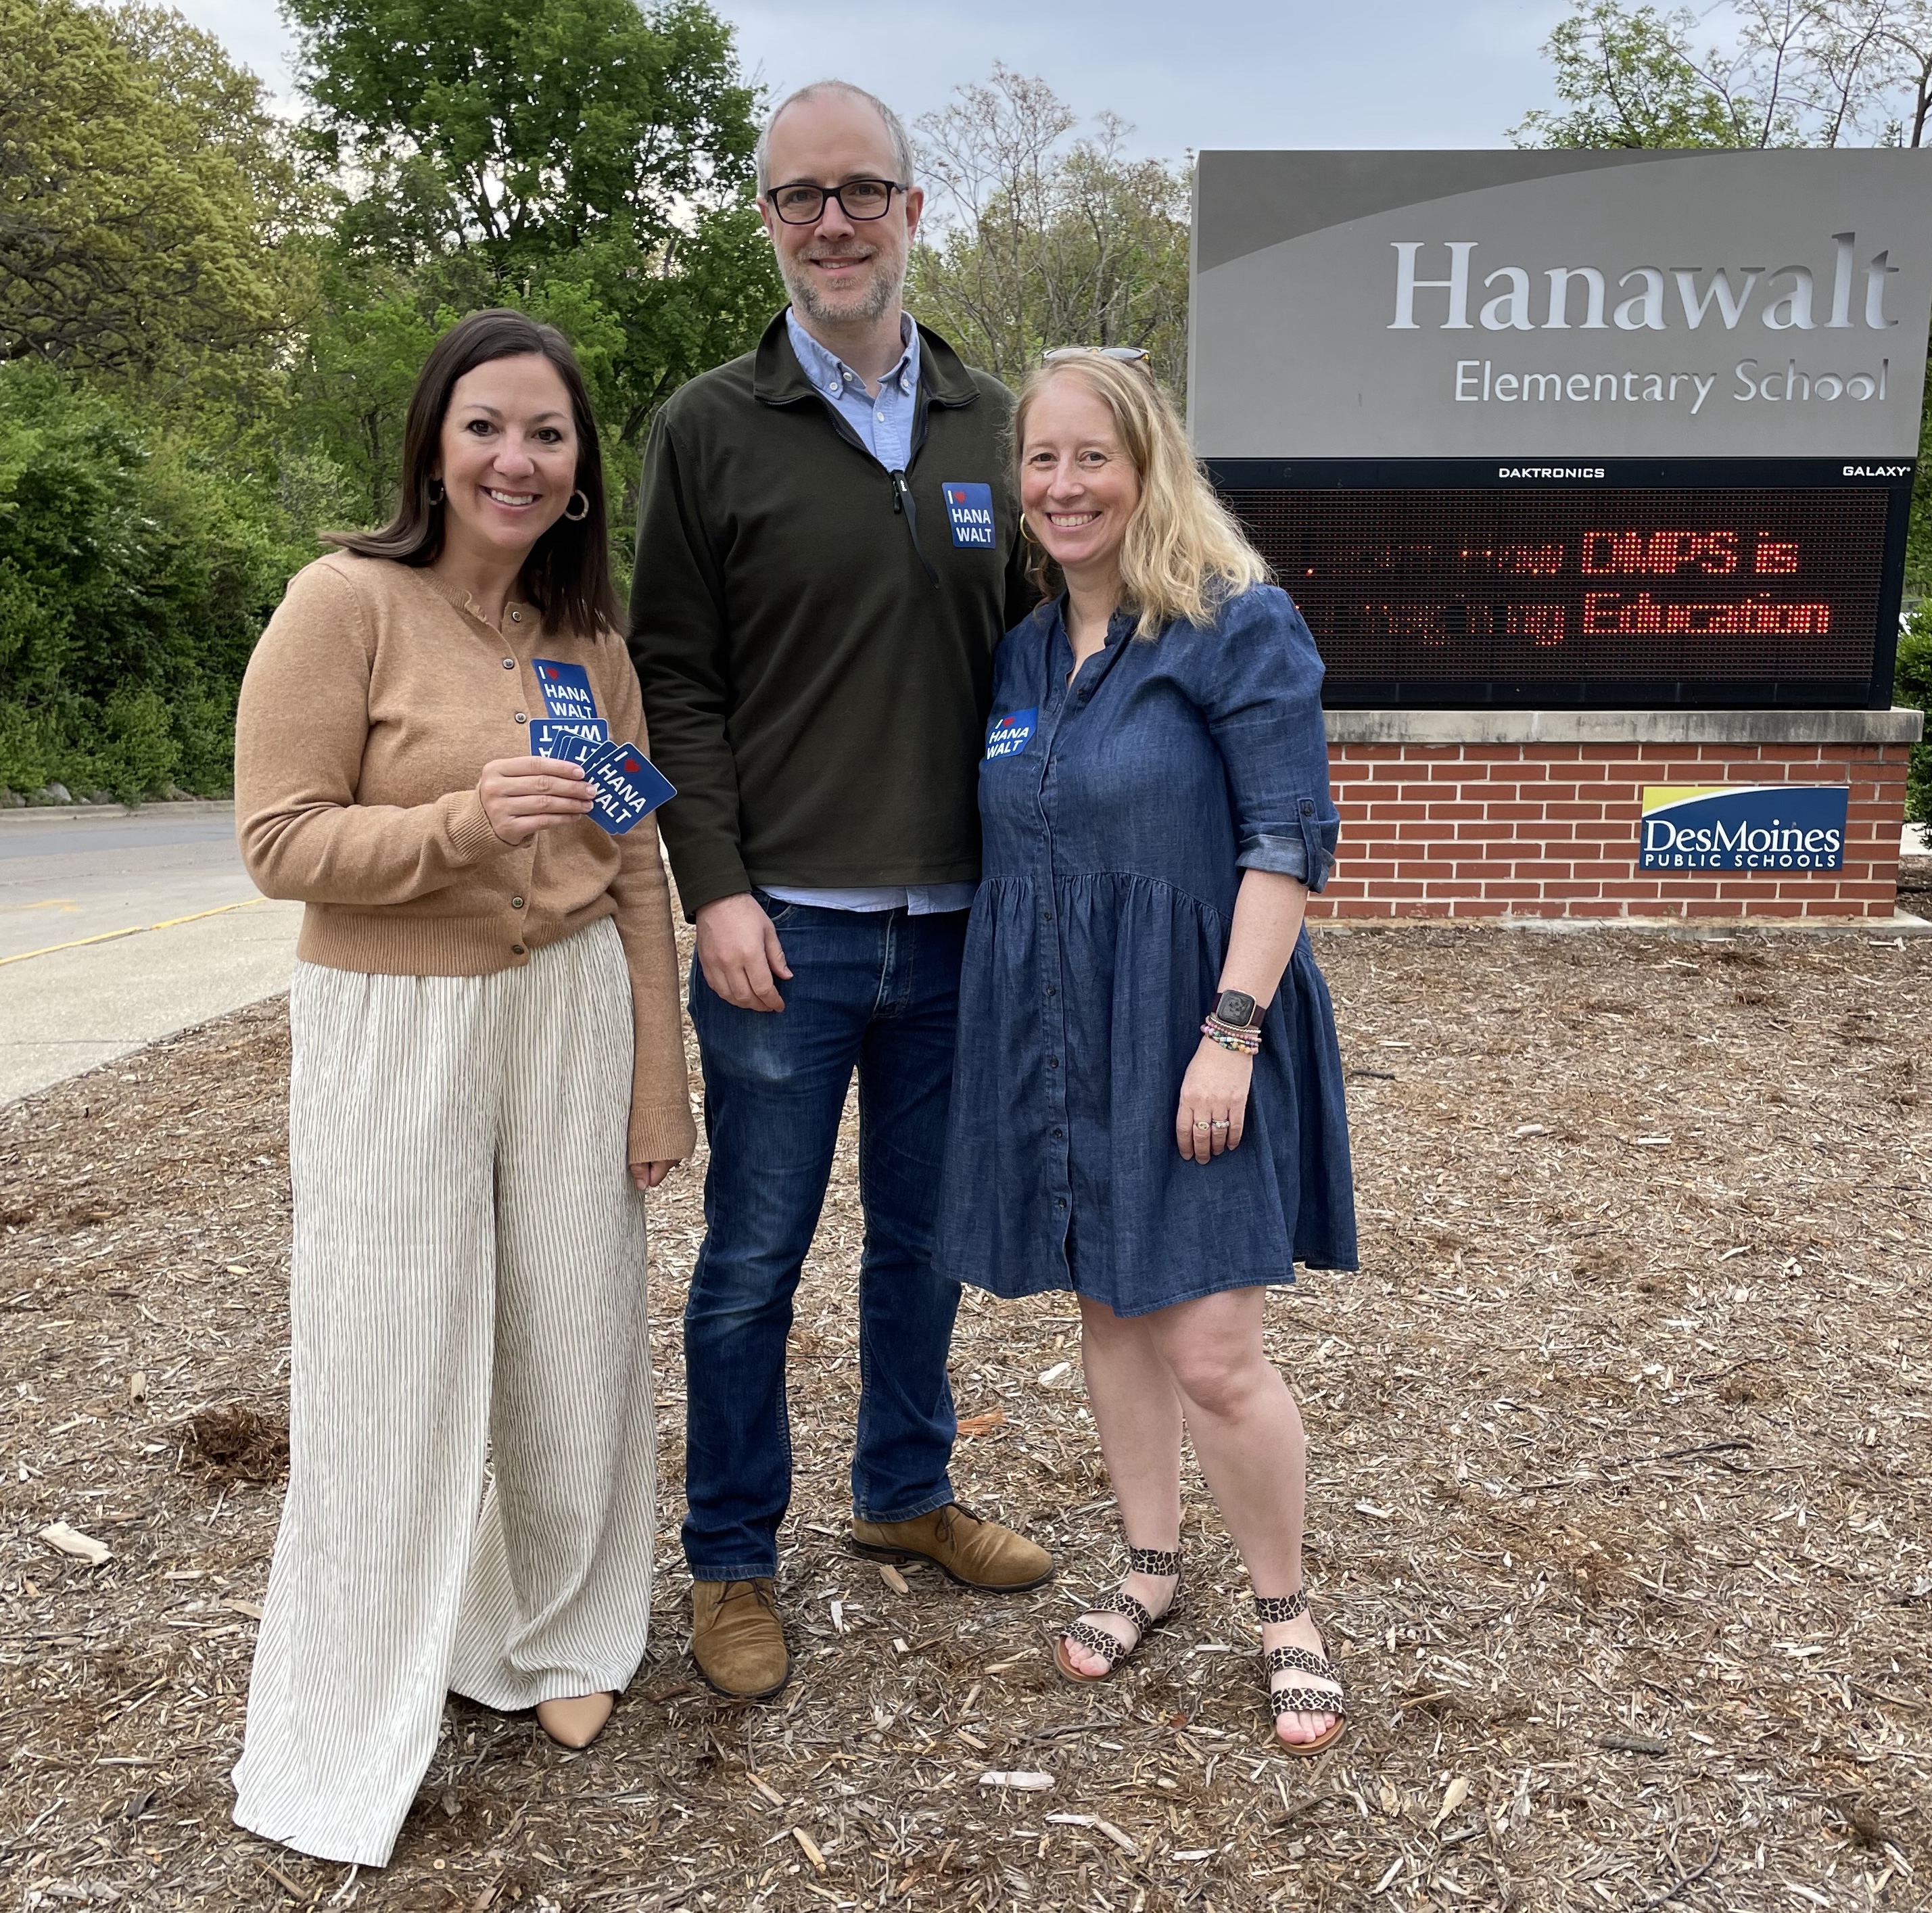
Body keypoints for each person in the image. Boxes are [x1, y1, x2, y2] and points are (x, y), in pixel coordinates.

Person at [230, 309, 694, 1866]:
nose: (516, 457)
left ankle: (561, 1630)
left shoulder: (591, 647)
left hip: (567, 1016)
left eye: (548, 435)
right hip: (394, 1020)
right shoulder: (342, 603)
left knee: (575, 1333)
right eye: (488, 425)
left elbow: (635, 867)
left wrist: (656, 1074)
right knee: (388, 1363)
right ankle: (358, 1691)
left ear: (578, 475)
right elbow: (278, 842)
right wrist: (452, 825)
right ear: (434, 441)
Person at [627, 80, 1050, 1703]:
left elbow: (1044, 652)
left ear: (912, 210)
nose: (832, 222)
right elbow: (678, 675)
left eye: (861, 190)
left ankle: (902, 1494)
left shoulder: (992, 424)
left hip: (958, 928)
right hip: (782, 934)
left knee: (923, 1241)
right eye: (800, 196)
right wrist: (715, 888)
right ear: (766, 221)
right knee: (752, 1256)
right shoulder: (710, 427)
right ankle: (732, 1557)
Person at [935, 352, 1359, 1755]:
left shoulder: (1236, 624)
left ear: (1147, 466)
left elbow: (1286, 842)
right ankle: (1148, 1566)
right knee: (1107, 1309)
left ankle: (1285, 1608)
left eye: (1091, 458)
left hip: (1194, 1025)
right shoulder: (1022, 648)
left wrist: (1226, 1035)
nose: (1063, 486)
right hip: (1062, 1031)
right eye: (1041, 461)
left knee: (1214, 1343)